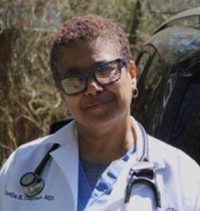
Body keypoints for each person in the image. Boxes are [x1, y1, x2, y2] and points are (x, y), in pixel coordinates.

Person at [0, 14, 200, 211]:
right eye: (75, 79)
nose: (92, 88)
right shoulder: (21, 166)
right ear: (62, 92)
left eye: (105, 70)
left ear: (132, 74)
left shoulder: (185, 179)